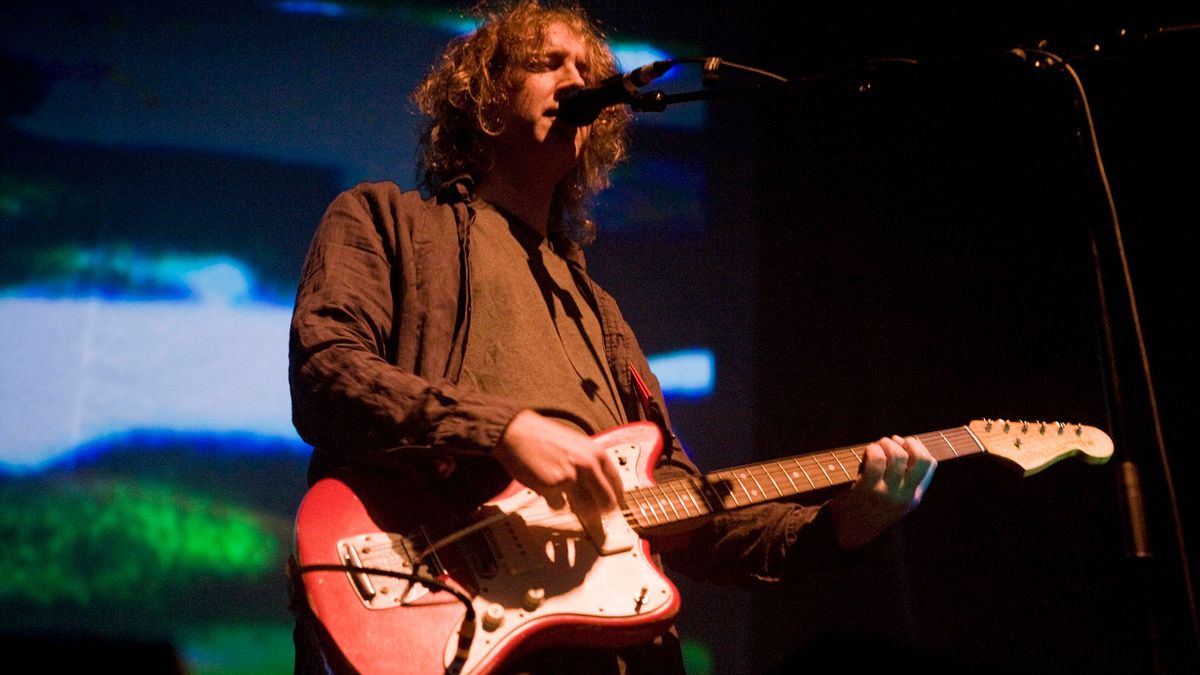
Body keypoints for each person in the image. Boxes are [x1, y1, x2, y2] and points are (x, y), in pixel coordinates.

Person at [287, 1, 936, 673]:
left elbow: (689, 506)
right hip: (435, 611)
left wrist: (840, 525)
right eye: (548, 63)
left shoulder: (600, 314)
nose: (576, 81)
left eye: (586, 67)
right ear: (484, 98)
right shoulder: (383, 220)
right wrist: (507, 431)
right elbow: (327, 373)